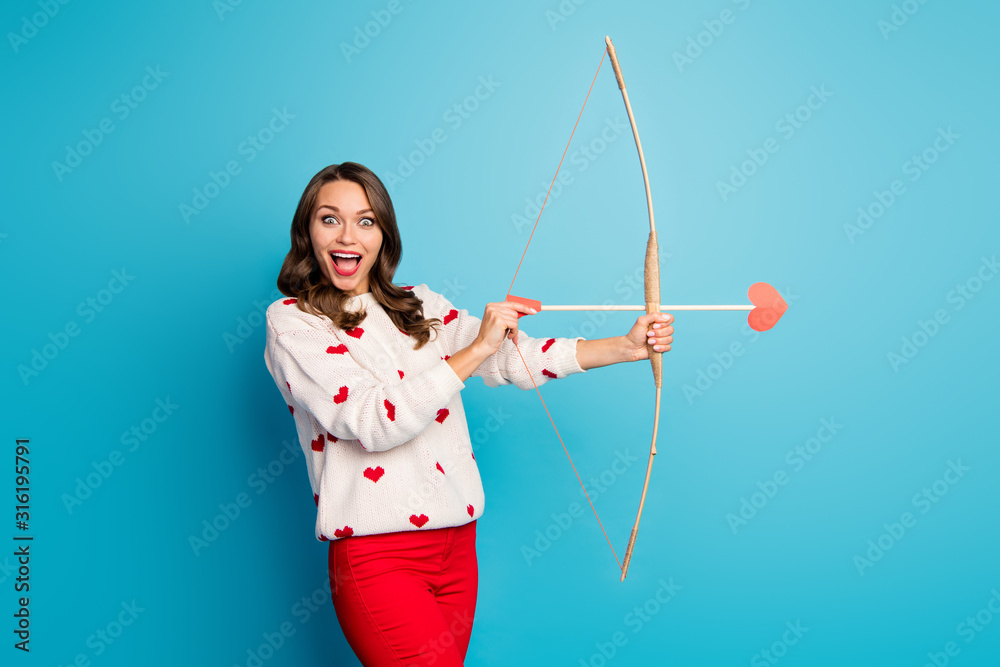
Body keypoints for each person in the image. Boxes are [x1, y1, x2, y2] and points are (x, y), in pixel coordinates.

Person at [263, 162, 673, 666]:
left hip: (457, 547)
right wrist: (475, 349)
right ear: (307, 230)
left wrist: (625, 348)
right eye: (330, 219)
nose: (348, 235)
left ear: (384, 234)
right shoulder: (294, 322)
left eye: (366, 221)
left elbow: (512, 358)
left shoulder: (419, 304)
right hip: (378, 557)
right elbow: (372, 421)